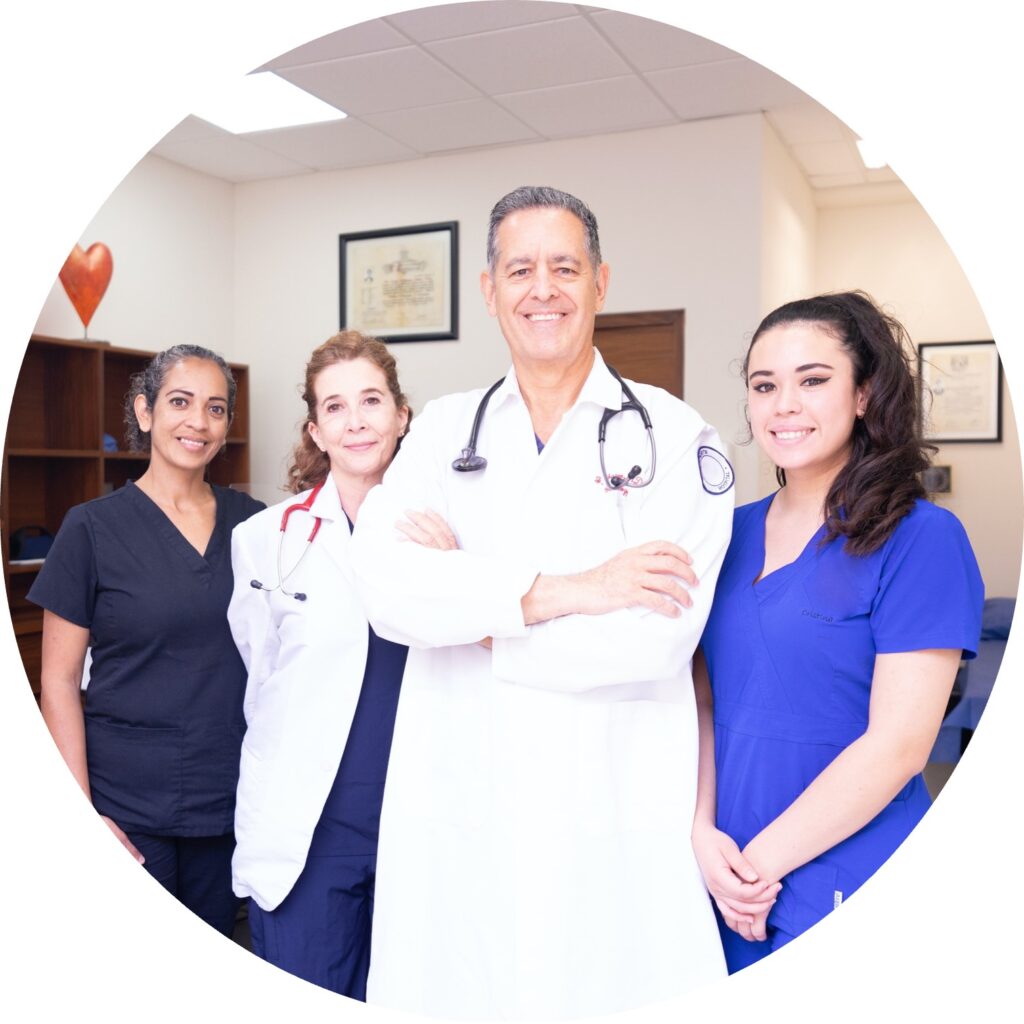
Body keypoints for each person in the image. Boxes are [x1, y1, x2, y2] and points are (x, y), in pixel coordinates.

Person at [349, 186, 736, 1020]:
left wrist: (473, 610)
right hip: (462, 800)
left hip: (610, 804)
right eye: (520, 269)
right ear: (489, 291)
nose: (543, 289)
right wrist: (577, 590)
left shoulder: (676, 439)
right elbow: (385, 590)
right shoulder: (442, 434)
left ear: (601, 281)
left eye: (565, 267)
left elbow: (651, 642)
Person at [692, 291, 985, 972]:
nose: (784, 404)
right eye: (764, 386)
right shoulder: (723, 535)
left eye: (814, 380)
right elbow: (700, 700)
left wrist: (759, 866)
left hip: (846, 880)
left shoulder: (921, 540)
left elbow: (900, 746)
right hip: (719, 876)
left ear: (864, 395)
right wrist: (700, 831)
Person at [29, 344, 264, 935]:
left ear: (227, 426)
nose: (197, 421)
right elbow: (56, 681)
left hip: (229, 798)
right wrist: (81, 813)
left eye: (215, 408)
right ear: (144, 412)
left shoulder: (255, 526)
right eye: (179, 402)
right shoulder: (91, 528)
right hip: (125, 805)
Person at [227, 333, 410, 999]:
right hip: (309, 838)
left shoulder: (449, 534)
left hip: (419, 825)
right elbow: (262, 676)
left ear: (402, 415)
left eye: (371, 400)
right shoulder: (264, 541)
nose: (356, 420)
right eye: (335, 407)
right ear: (315, 428)